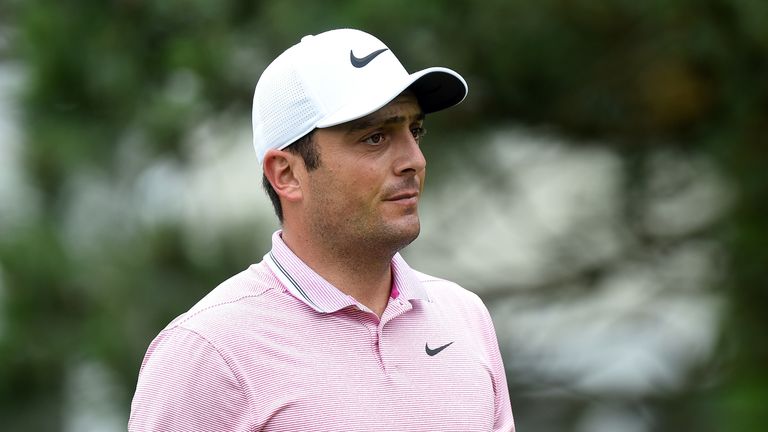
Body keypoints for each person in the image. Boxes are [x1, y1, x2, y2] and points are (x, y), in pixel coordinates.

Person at [129, 28, 515, 431]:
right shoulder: (209, 351)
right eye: (375, 137)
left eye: (414, 131)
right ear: (287, 174)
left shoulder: (464, 317)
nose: (413, 160)